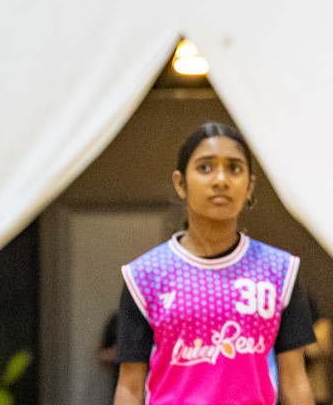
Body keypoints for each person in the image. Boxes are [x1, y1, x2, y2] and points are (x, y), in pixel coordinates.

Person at [113, 122, 317, 405]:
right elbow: (129, 387)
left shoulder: (281, 271)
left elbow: (295, 383)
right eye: (205, 168)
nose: (220, 179)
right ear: (180, 184)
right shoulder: (143, 276)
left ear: (250, 187)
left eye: (234, 168)